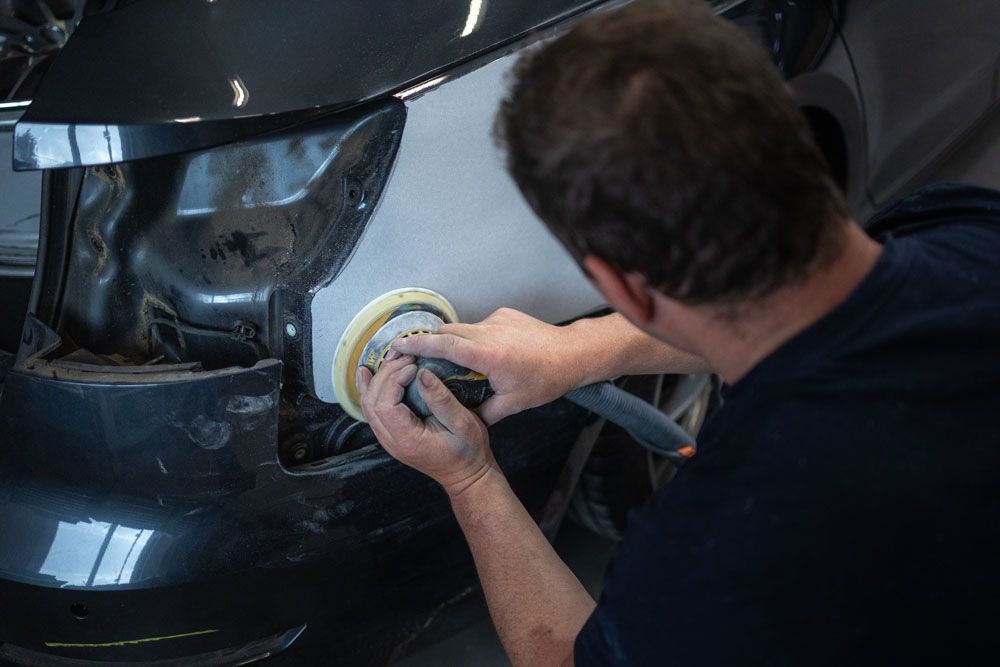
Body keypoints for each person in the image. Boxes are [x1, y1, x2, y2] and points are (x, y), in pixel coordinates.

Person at [357, 0, 1000, 664]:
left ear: (625, 287)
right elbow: (794, 307)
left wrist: (473, 479)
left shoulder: (722, 551)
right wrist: (581, 351)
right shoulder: (966, 232)